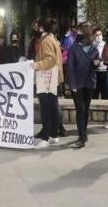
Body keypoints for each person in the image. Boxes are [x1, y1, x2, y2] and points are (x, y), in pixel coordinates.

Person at [31, 18, 64, 149]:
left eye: (37, 26)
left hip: (46, 78)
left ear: (41, 28)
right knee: (53, 107)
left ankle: (45, 138)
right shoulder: (52, 38)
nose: (35, 28)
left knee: (46, 108)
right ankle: (53, 135)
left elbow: (50, 60)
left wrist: (36, 65)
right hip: (52, 77)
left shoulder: (45, 41)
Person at [67, 25, 100, 148]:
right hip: (77, 83)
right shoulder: (74, 48)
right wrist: (72, 84)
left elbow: (95, 62)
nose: (94, 37)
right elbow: (70, 67)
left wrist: (95, 63)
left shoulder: (93, 48)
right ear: (86, 35)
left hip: (89, 83)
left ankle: (84, 132)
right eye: (92, 35)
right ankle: (81, 136)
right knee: (80, 109)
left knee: (86, 109)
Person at [93, 27, 108, 100]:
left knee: (105, 94)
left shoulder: (105, 44)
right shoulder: (92, 45)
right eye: (97, 35)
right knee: (94, 94)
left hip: (104, 71)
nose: (99, 36)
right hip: (95, 72)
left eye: (100, 34)